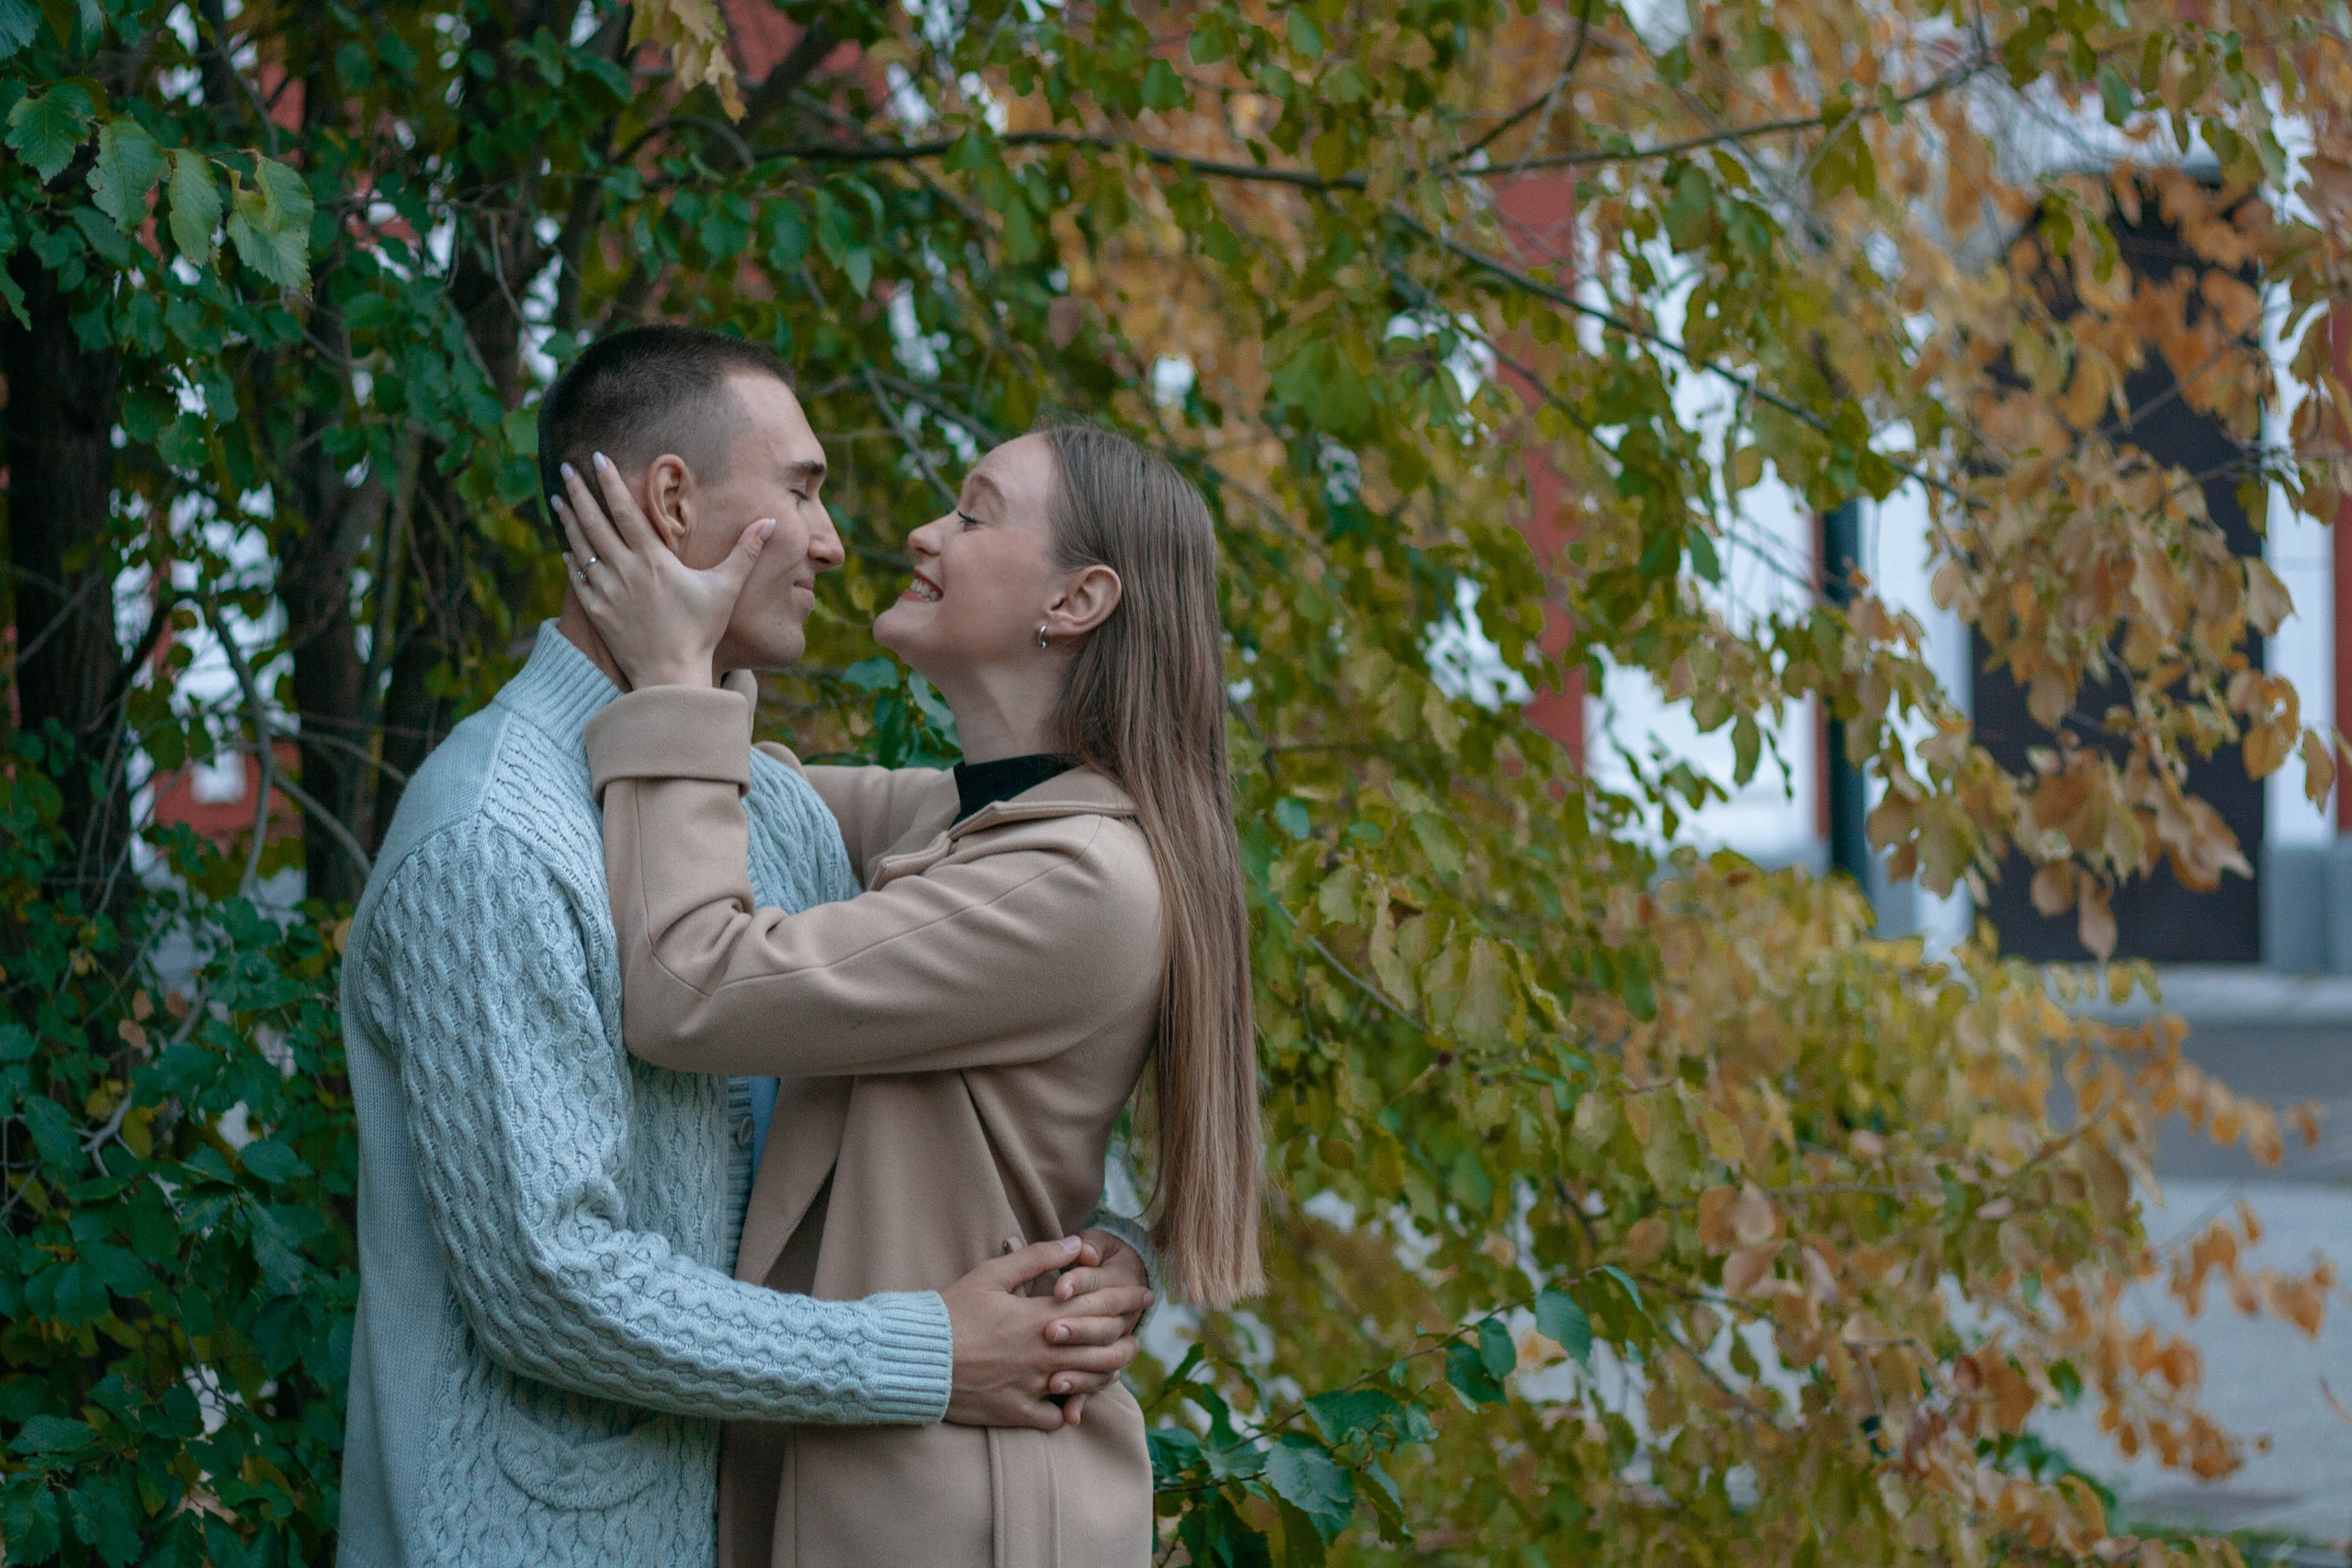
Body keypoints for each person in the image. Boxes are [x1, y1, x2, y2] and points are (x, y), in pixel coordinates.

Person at [338, 327, 1152, 1568]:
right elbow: (549, 1282)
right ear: (672, 500)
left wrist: (1104, 1247)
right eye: (804, 492)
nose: (838, 542)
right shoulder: (490, 838)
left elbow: (1005, 999)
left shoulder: (764, 809)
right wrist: (923, 1351)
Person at [550, 421, 1264, 1567]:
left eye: (975, 515)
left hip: (959, 1506)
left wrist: (678, 670)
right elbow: (735, 799)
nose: (924, 533)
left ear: (1078, 601)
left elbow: (692, 986)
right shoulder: (966, 819)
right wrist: (694, 630)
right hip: (898, 1470)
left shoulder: (1077, 881)